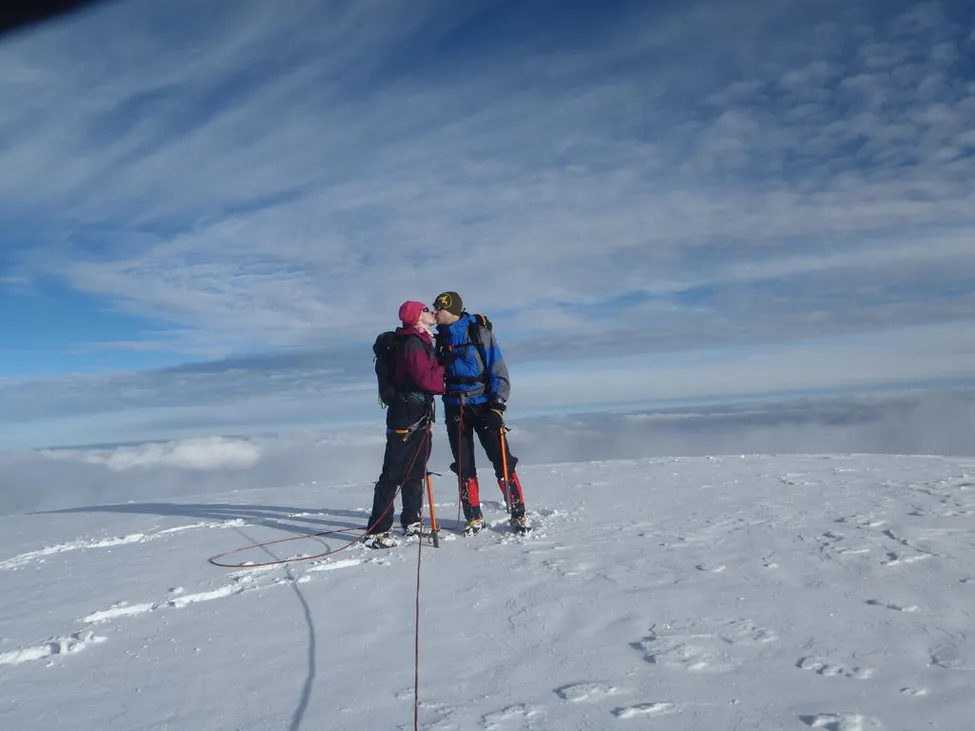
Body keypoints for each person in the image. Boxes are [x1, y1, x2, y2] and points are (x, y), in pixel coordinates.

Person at [432, 290, 530, 535]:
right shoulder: (438, 339)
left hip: (485, 404)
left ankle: (518, 512)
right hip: (455, 406)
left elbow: (498, 368)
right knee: (464, 464)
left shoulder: (478, 332)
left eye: (438, 309)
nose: (434, 313)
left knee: (502, 460)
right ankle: (473, 517)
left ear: (452, 311)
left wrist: (498, 405)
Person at [364, 301, 445, 549]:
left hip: (415, 412)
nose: (430, 312)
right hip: (406, 413)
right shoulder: (412, 343)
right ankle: (377, 530)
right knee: (394, 471)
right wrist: (445, 369)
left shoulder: (420, 339)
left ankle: (411, 521)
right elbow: (427, 380)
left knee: (415, 468)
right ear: (415, 317)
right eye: (424, 310)